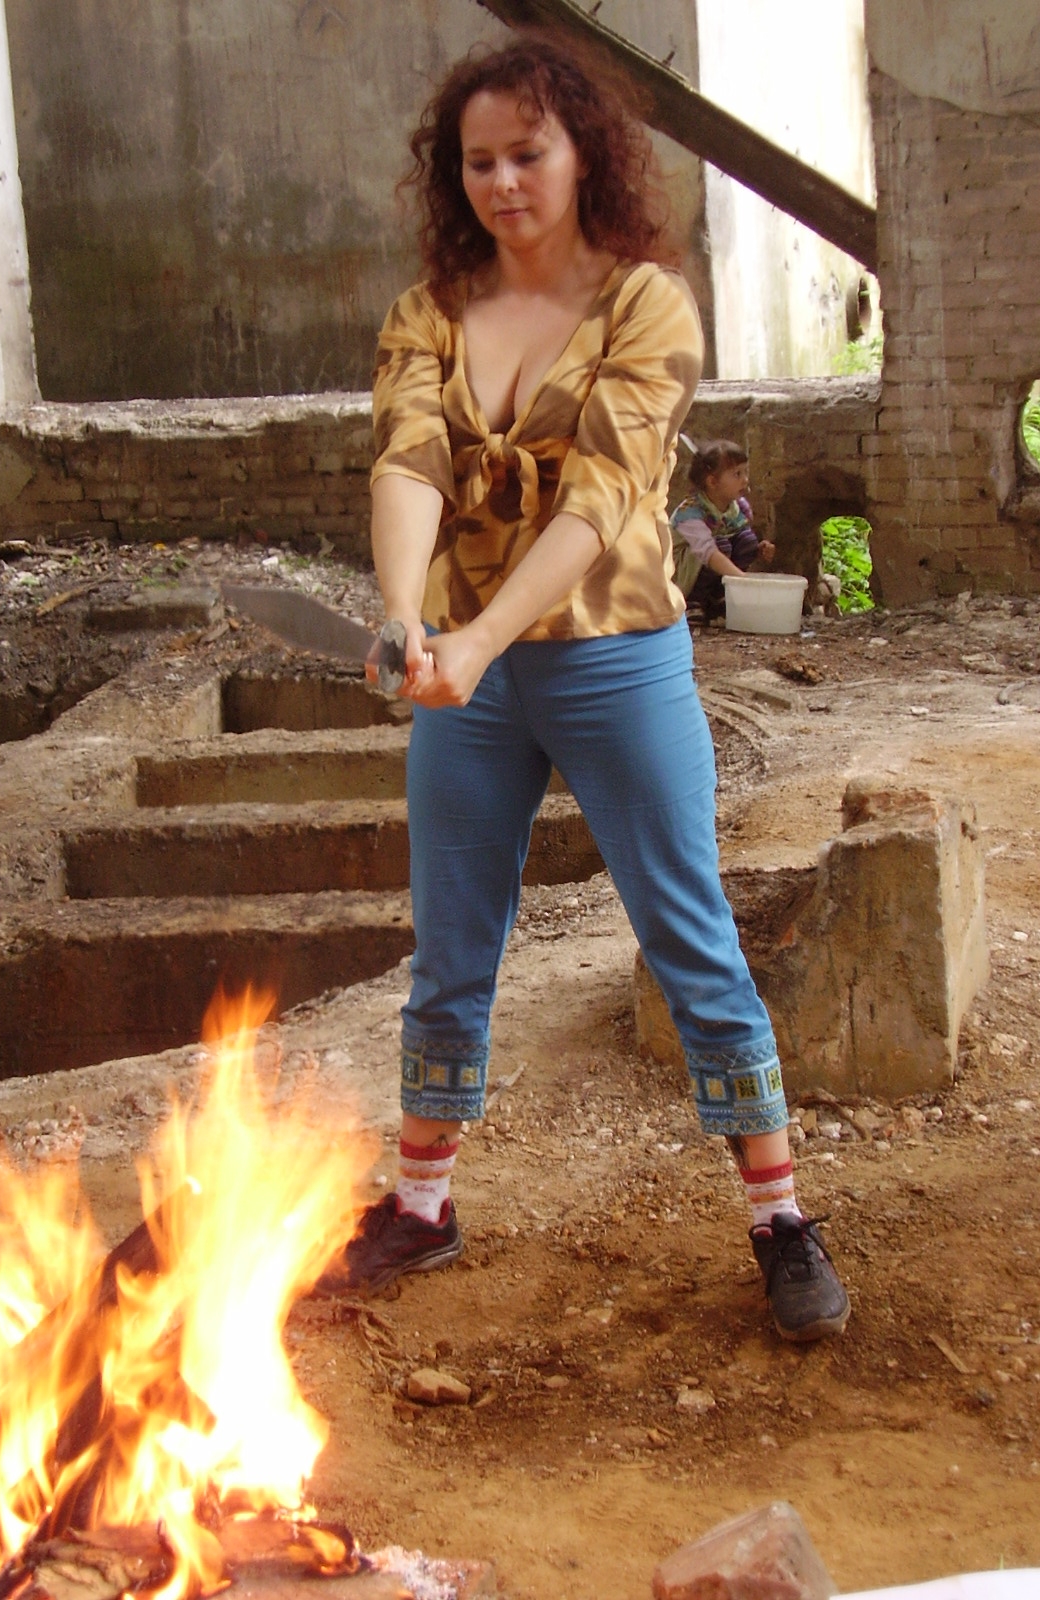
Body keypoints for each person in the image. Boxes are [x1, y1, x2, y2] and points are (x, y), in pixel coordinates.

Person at [317, 34, 849, 1342]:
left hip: (613, 659)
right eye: (478, 161)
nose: (502, 182)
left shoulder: (646, 306)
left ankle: (781, 1218)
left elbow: (606, 500)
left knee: (687, 932)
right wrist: (407, 616)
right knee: (451, 946)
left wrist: (484, 636)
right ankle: (423, 1208)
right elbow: (408, 461)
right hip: (468, 677)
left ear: (583, 154)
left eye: (528, 154)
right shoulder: (428, 313)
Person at [670, 441, 776, 622]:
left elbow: (740, 534)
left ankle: (718, 597)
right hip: (683, 571)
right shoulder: (690, 513)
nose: (745, 480)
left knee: (747, 541)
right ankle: (693, 600)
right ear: (712, 481)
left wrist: (758, 549)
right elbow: (708, 552)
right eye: (737, 474)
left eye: (745, 472)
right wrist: (742, 579)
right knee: (721, 546)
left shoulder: (736, 506)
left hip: (714, 557)